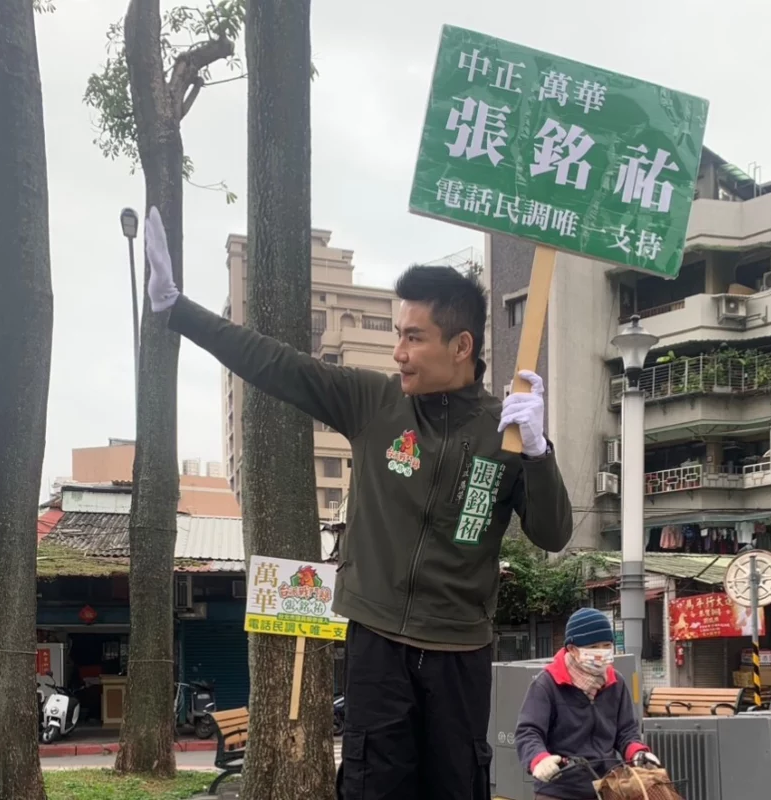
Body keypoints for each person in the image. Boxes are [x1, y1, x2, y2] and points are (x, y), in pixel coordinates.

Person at [141, 209, 574, 799]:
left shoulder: (508, 431)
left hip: (460, 654)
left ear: (461, 345)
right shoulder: (375, 403)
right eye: (397, 334)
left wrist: (540, 454)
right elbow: (276, 364)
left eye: (413, 337)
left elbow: (552, 533)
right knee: (373, 785)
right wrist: (177, 309)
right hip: (378, 643)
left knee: (458, 787)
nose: (398, 351)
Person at [514, 608, 660, 800]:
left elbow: (626, 731)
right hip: (559, 788)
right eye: (593, 647)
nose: (601, 652)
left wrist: (637, 753)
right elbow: (528, 732)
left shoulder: (616, 682)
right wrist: (539, 759)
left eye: (606, 645)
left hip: (608, 786)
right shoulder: (547, 684)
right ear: (572, 649)